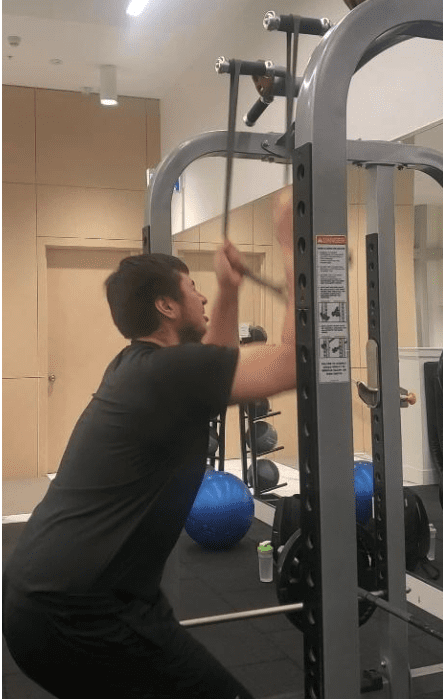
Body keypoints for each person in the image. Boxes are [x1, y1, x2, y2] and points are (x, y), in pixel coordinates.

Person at [2, 192, 297, 699]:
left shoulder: (136, 365)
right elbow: (295, 362)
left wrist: (228, 291)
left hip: (50, 594)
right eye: (193, 289)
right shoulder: (170, 374)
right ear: (166, 305)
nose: (202, 298)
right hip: (81, 607)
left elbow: (211, 363)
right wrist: (296, 245)